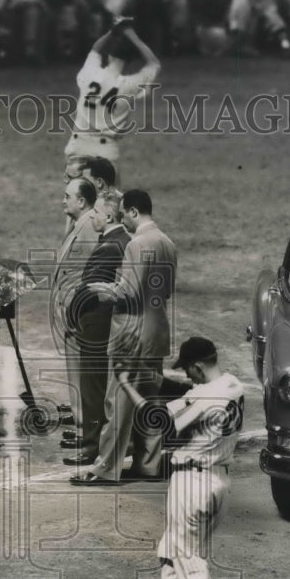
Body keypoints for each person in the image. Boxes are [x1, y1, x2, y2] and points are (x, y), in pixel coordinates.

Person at [120, 336, 244, 579]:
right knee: (171, 550)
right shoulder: (233, 385)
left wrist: (126, 385)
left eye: (189, 371)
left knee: (189, 560)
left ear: (199, 366)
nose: (188, 377)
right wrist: (152, 373)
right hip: (218, 481)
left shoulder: (202, 395)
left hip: (192, 485)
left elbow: (154, 418)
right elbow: (184, 392)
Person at [71, 188, 176, 484]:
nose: (124, 222)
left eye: (125, 216)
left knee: (118, 402)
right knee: (150, 399)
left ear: (132, 211)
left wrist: (99, 289)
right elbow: (166, 290)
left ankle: (105, 469)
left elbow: (127, 293)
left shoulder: (137, 243)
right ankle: (149, 464)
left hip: (131, 331)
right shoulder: (167, 242)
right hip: (157, 330)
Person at [63, 189, 131, 466]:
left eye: (97, 212)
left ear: (110, 215)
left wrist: (71, 314)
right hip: (106, 324)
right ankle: (100, 442)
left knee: (92, 387)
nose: (93, 216)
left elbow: (88, 289)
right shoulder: (120, 240)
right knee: (101, 387)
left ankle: (91, 448)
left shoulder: (111, 245)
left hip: (95, 325)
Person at [64, 20, 160, 181]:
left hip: (77, 146)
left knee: (77, 199)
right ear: (130, 62)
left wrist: (112, 31)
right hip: (105, 150)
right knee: (107, 202)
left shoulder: (90, 73)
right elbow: (154, 63)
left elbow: (95, 50)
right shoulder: (129, 85)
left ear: (108, 56)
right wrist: (132, 35)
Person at [52, 178, 101, 432]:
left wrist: (72, 309)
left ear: (81, 201)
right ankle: (82, 421)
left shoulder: (89, 228)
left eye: (67, 196)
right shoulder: (79, 225)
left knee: (83, 375)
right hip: (74, 313)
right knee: (78, 374)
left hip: (80, 315)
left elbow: (87, 274)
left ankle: (87, 427)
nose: (63, 200)